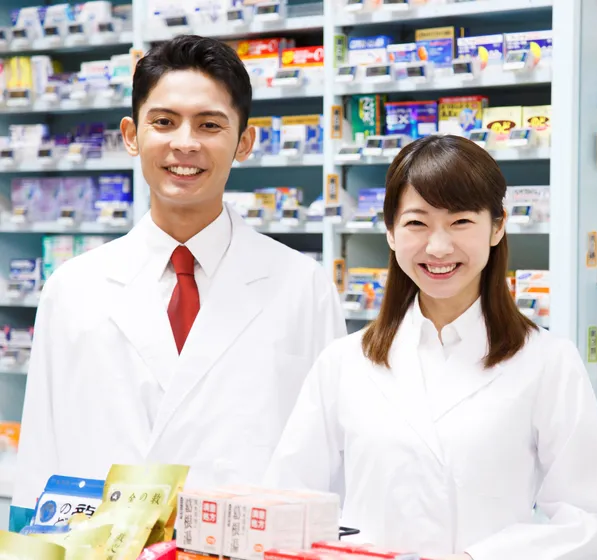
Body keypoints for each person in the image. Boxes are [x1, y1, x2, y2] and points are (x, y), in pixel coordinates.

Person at [11, 35, 346, 528]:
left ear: (244, 142)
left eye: (210, 125)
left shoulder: (304, 287)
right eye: (164, 122)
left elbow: (332, 460)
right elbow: (41, 454)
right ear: (131, 135)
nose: (185, 143)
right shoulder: (73, 288)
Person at [264, 135, 597, 559]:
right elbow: (287, 504)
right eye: (417, 223)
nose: (438, 247)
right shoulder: (344, 362)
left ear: (497, 227)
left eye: (461, 222)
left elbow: (592, 520)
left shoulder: (547, 361)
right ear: (390, 232)